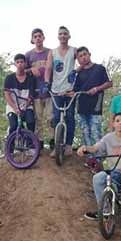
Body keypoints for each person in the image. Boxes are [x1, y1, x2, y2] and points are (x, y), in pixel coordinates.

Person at [77, 112, 121, 220]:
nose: (120, 123)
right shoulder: (108, 137)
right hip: (114, 171)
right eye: (117, 121)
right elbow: (95, 148)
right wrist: (85, 148)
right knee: (98, 178)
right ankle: (105, 210)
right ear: (113, 124)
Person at [72, 46, 112, 147]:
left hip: (95, 106)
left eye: (85, 54)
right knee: (85, 133)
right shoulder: (79, 73)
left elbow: (109, 83)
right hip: (81, 107)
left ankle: (99, 159)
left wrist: (96, 89)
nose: (83, 57)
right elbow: (75, 90)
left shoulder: (100, 68)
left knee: (95, 132)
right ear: (78, 59)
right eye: (80, 56)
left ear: (89, 54)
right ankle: (90, 159)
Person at [47, 26, 77, 158]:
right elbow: (48, 68)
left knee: (70, 116)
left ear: (69, 36)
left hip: (69, 90)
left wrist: (77, 71)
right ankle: (56, 147)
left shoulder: (74, 51)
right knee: (55, 117)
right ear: (58, 37)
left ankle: (69, 145)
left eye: (65, 34)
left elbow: (83, 61)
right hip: (56, 90)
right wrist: (46, 82)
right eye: (61, 34)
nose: (63, 36)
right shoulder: (52, 52)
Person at [26, 28, 52, 146]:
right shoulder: (28, 55)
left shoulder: (50, 52)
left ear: (43, 37)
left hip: (49, 90)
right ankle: (39, 141)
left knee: (50, 117)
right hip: (35, 91)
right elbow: (22, 70)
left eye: (39, 36)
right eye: (35, 36)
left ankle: (53, 140)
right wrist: (31, 69)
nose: (37, 38)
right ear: (32, 39)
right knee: (38, 118)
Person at [4, 54, 37, 134]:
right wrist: (15, 108)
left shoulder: (31, 79)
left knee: (31, 122)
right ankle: (10, 144)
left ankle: (30, 142)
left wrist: (24, 107)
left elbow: (31, 96)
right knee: (14, 126)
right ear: (15, 64)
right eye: (17, 62)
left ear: (25, 63)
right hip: (13, 106)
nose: (19, 64)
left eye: (21, 62)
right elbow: (7, 95)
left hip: (26, 106)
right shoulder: (9, 78)